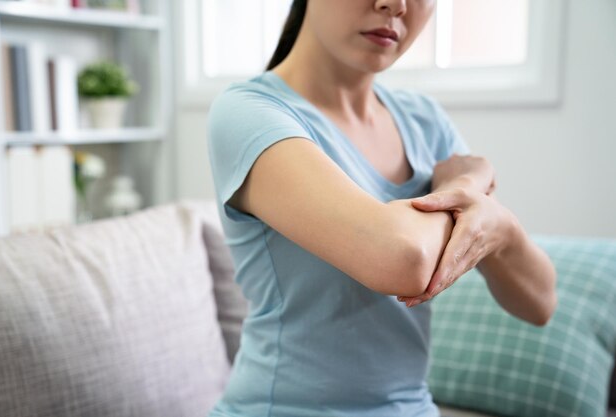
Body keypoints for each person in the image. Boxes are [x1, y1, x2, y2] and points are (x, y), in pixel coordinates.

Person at [207, 0, 557, 416]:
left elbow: (539, 301)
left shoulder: (424, 121)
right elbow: (400, 260)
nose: (394, 5)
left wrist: (499, 225)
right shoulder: (248, 112)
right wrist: (467, 183)